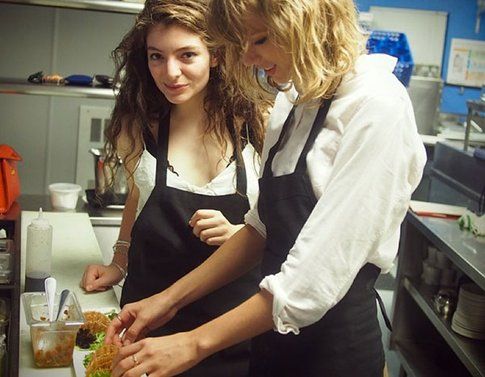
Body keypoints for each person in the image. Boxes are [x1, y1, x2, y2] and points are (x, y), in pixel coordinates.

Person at [106, 0, 427, 376]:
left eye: (259, 39)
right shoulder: (293, 101)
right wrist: (167, 301)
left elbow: (311, 282)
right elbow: (261, 229)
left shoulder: (377, 106)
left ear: (304, 23)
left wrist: (193, 343)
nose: (246, 58)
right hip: (269, 342)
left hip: (332, 354)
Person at [80, 0, 267, 375]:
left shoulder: (259, 123)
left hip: (230, 328)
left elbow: (276, 224)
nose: (170, 72)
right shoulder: (140, 125)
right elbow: (140, 193)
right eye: (156, 57)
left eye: (187, 55)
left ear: (214, 56)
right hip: (148, 318)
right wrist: (120, 261)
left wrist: (238, 234)